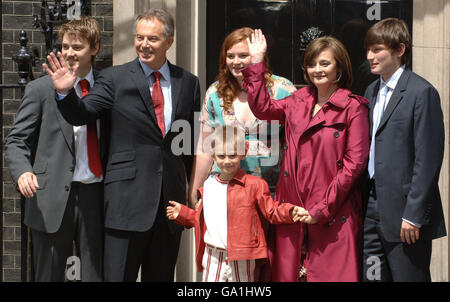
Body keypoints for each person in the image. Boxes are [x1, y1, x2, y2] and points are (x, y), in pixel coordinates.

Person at [43, 9, 200, 282]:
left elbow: (191, 141)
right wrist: (65, 94)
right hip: (125, 203)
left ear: (170, 42)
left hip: (169, 206)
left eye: (152, 38)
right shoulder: (113, 78)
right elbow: (83, 113)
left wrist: (194, 190)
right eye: (139, 37)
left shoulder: (188, 82)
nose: (144, 44)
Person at [243, 31, 370, 281]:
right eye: (311, 64)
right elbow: (262, 108)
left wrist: (322, 209)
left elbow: (354, 166)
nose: (317, 70)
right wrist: (256, 63)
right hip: (291, 210)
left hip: (334, 213)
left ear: (339, 69)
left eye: (324, 63)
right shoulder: (298, 100)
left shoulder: (353, 107)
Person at [5, 17, 106, 282]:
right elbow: (16, 141)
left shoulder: (108, 88)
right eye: (65, 46)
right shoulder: (39, 90)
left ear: (94, 48)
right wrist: (22, 172)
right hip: (49, 198)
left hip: (96, 196)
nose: (69, 53)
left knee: (94, 276)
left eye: (77, 47)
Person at [362, 18, 446, 282]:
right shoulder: (371, 91)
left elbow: (428, 159)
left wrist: (413, 215)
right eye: (368, 50)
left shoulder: (422, 92)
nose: (369, 56)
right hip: (371, 208)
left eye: (377, 49)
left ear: (400, 49)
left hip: (405, 217)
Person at [167, 125, 304, 282]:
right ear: (213, 156)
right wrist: (183, 213)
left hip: (243, 255)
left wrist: (290, 212)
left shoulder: (255, 185)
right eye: (221, 155)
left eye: (232, 155)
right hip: (212, 254)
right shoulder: (208, 186)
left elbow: (271, 211)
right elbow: (204, 220)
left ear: (242, 154)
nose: (227, 161)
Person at [189, 27, 296, 207]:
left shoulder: (282, 90)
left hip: (273, 192)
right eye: (231, 56)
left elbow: (297, 144)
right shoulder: (215, 93)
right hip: (226, 190)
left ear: (257, 56)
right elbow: (205, 148)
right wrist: (195, 190)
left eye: (243, 55)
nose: (236, 62)